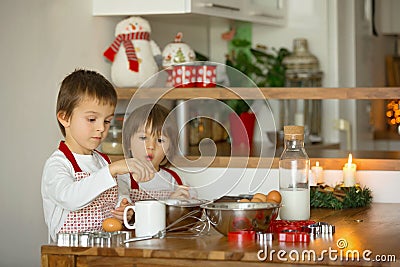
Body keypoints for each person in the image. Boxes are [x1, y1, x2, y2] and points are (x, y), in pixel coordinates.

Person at [41, 69, 154, 242]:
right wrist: (112, 170)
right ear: (65, 118)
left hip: (105, 249)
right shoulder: (58, 164)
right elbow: (70, 198)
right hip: (71, 254)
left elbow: (121, 191)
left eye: (107, 121)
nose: (102, 128)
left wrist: (123, 206)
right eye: (92, 119)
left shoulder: (103, 161)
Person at [119, 103, 195, 202]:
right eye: (143, 138)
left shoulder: (175, 180)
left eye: (160, 140)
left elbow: (192, 202)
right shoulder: (122, 179)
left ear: (169, 148)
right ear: (128, 143)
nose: (151, 146)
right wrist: (168, 201)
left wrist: (183, 200)